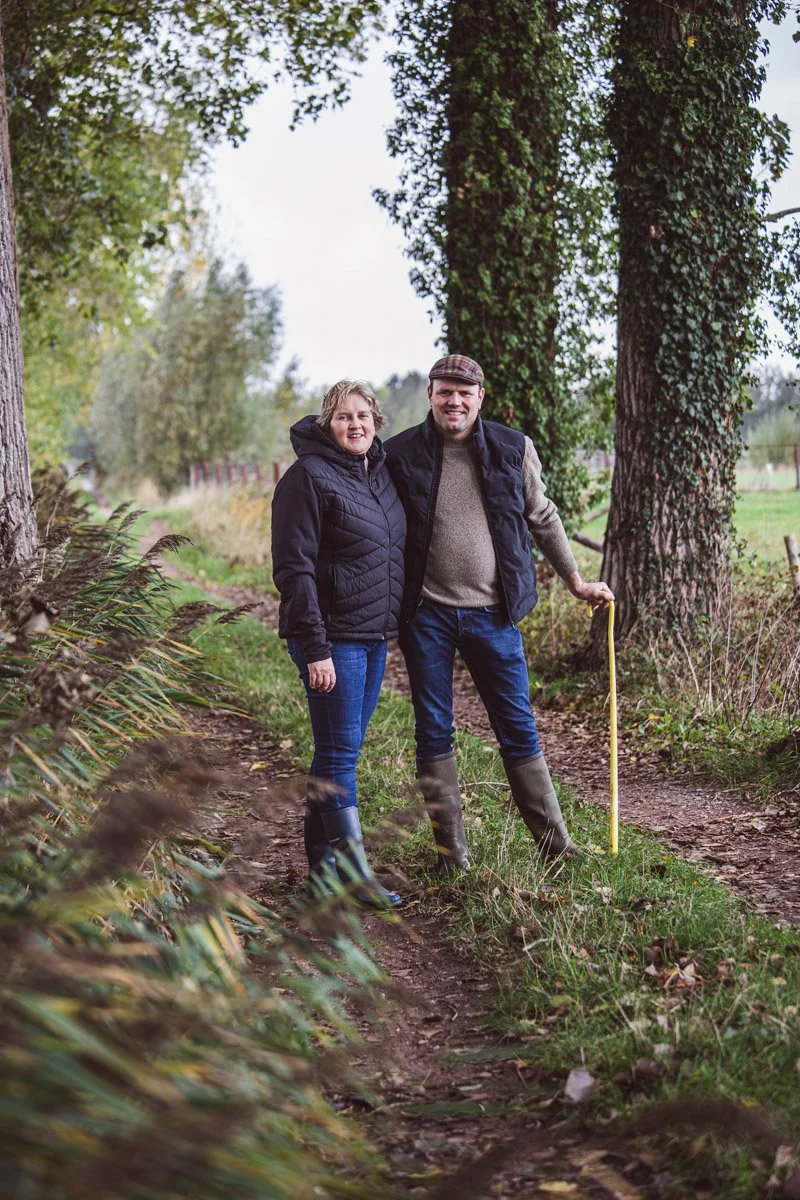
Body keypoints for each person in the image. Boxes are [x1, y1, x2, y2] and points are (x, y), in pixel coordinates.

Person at [385, 354, 614, 870]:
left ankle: (556, 849)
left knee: (517, 726)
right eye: (445, 391)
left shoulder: (514, 448)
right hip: (427, 615)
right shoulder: (401, 454)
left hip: (494, 613)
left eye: (464, 392)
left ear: (479, 398)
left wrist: (575, 580)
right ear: (430, 395)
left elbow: (543, 516)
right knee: (433, 728)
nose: (454, 401)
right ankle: (452, 855)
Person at [271, 380, 406, 907]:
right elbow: (293, 567)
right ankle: (353, 873)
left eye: (364, 415)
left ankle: (322, 873)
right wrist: (316, 646)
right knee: (340, 753)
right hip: (331, 639)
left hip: (371, 636)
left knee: (335, 752)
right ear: (328, 423)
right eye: (344, 416)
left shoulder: (378, 474)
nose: (356, 424)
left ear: (377, 421)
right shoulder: (307, 477)